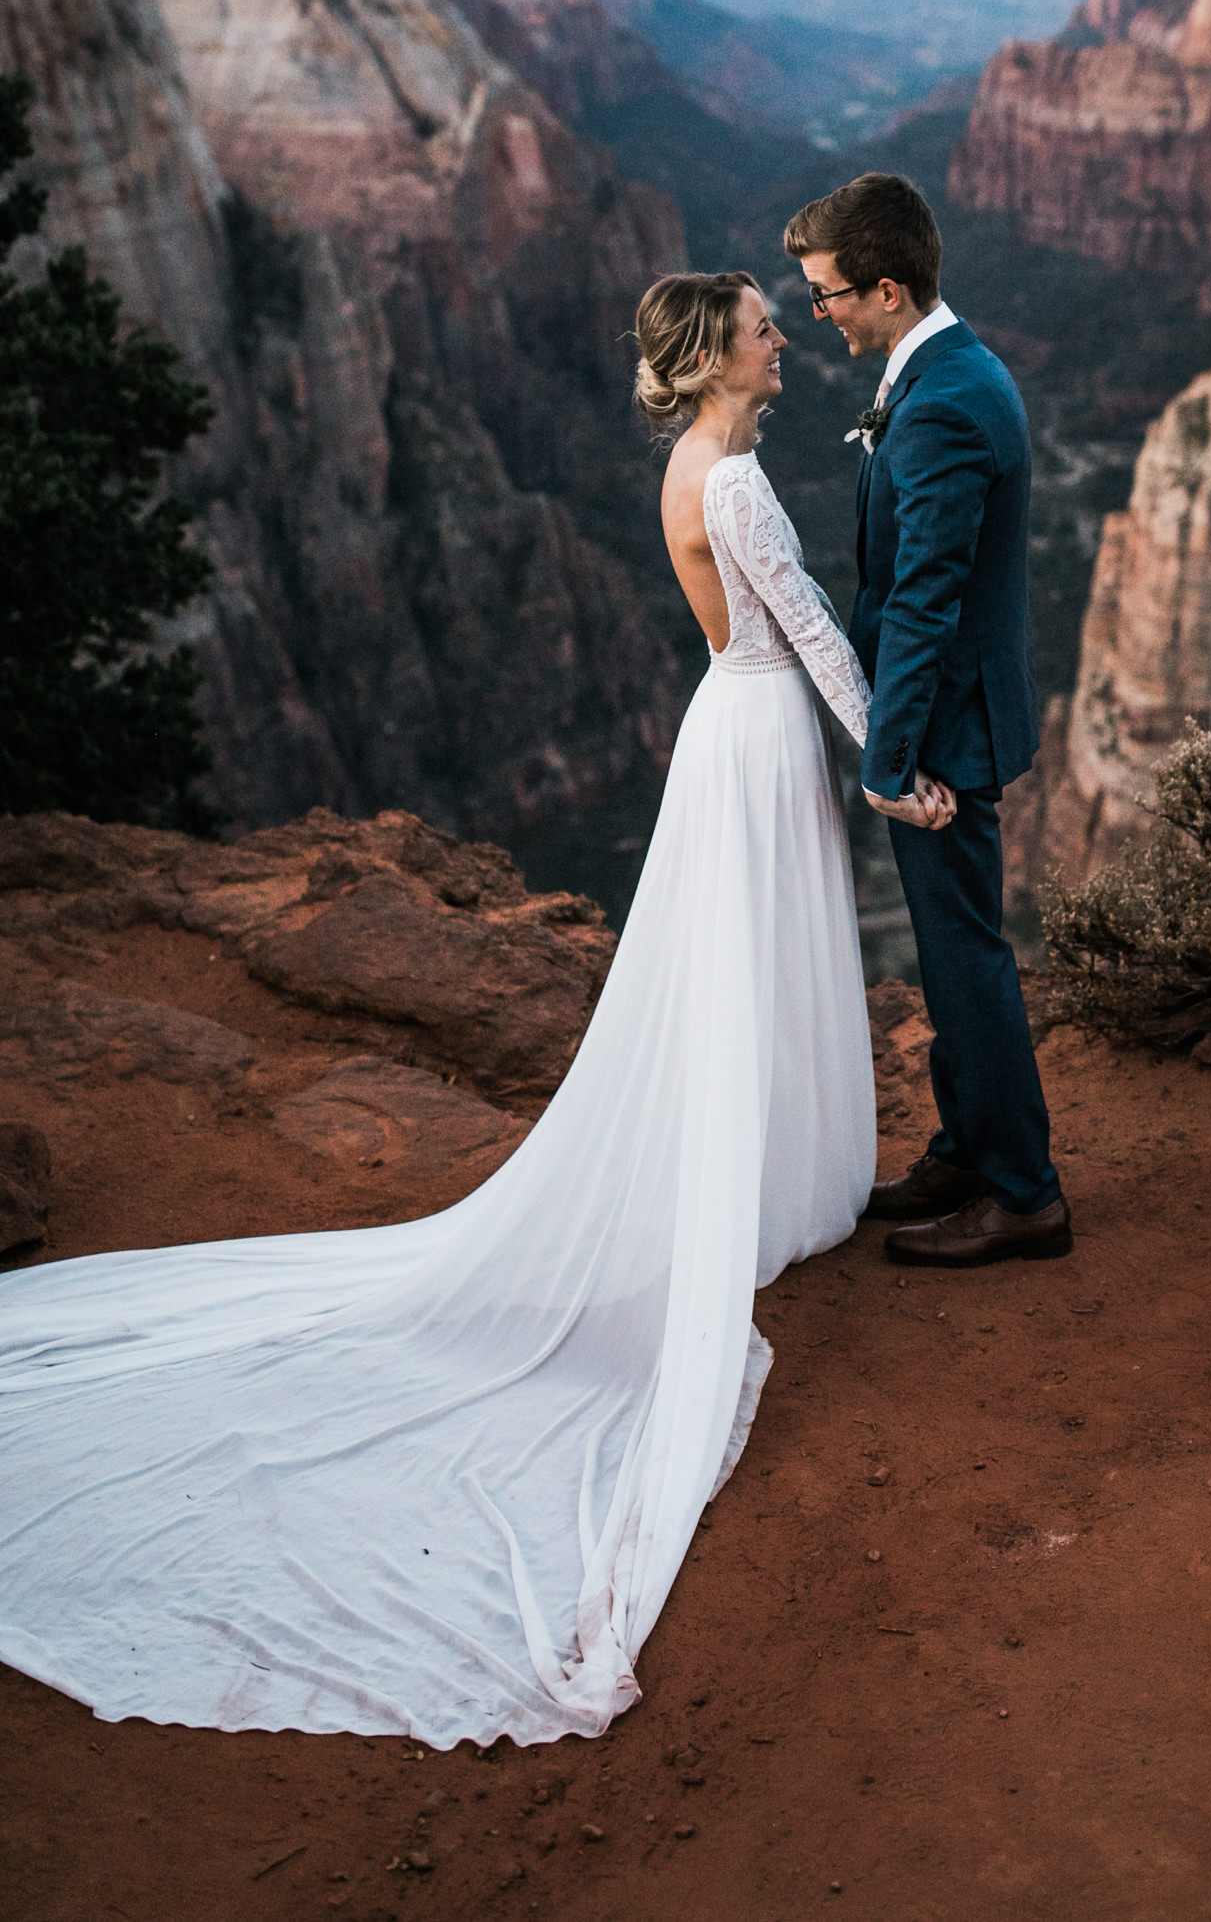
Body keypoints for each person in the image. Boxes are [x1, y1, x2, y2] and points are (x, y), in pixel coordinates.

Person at [0, 270, 944, 1750]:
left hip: (725, 725)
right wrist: (888, 759)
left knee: (727, 974)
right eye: (762, 322)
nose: (780, 333)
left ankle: (763, 1189)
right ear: (711, 361)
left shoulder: (692, 466)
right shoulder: (741, 477)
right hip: (761, 729)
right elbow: (814, 629)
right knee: (755, 967)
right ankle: (761, 1197)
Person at [788, 173, 1070, 1267]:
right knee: (953, 952)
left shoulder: (945, 397)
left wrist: (887, 760)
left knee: (964, 959)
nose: (822, 315)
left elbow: (924, 595)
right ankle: (964, 1146)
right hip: (945, 718)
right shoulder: (941, 369)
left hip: (942, 736)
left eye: (828, 296)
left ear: (888, 288)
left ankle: (1022, 1191)